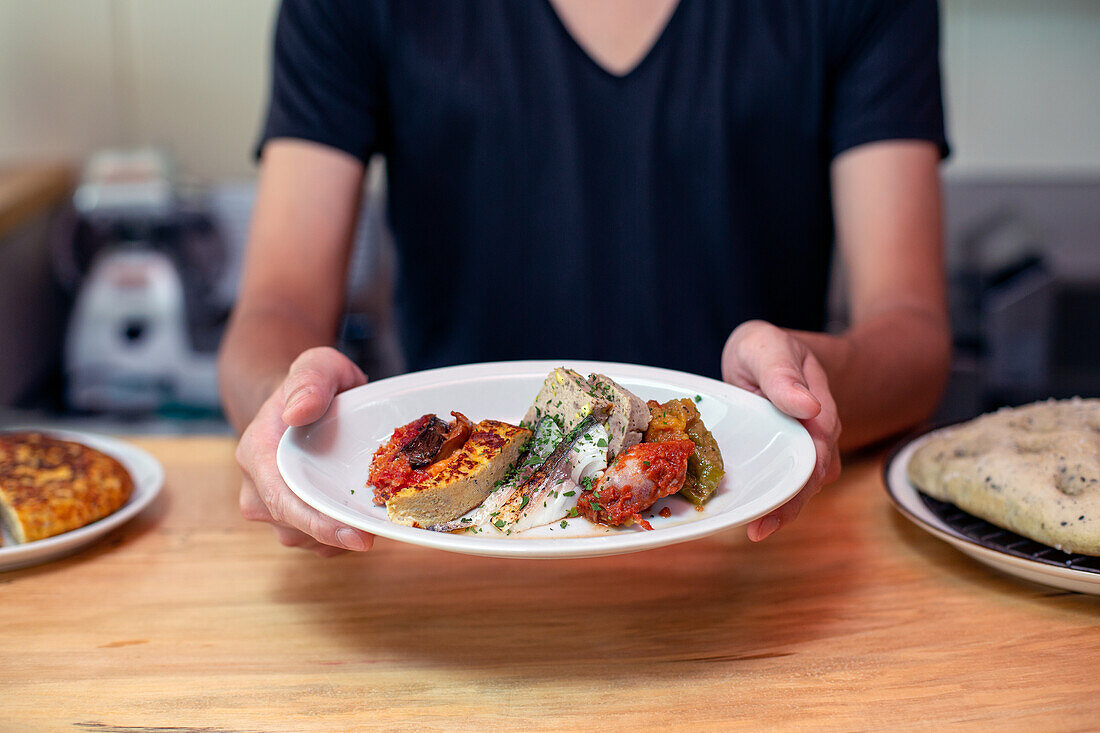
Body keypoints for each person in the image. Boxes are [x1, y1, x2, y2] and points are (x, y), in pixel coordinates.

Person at [219, 0, 952, 556]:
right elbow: (275, 308)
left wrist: (804, 389)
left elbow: (912, 334)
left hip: (750, 556)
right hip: (447, 565)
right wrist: (283, 415)